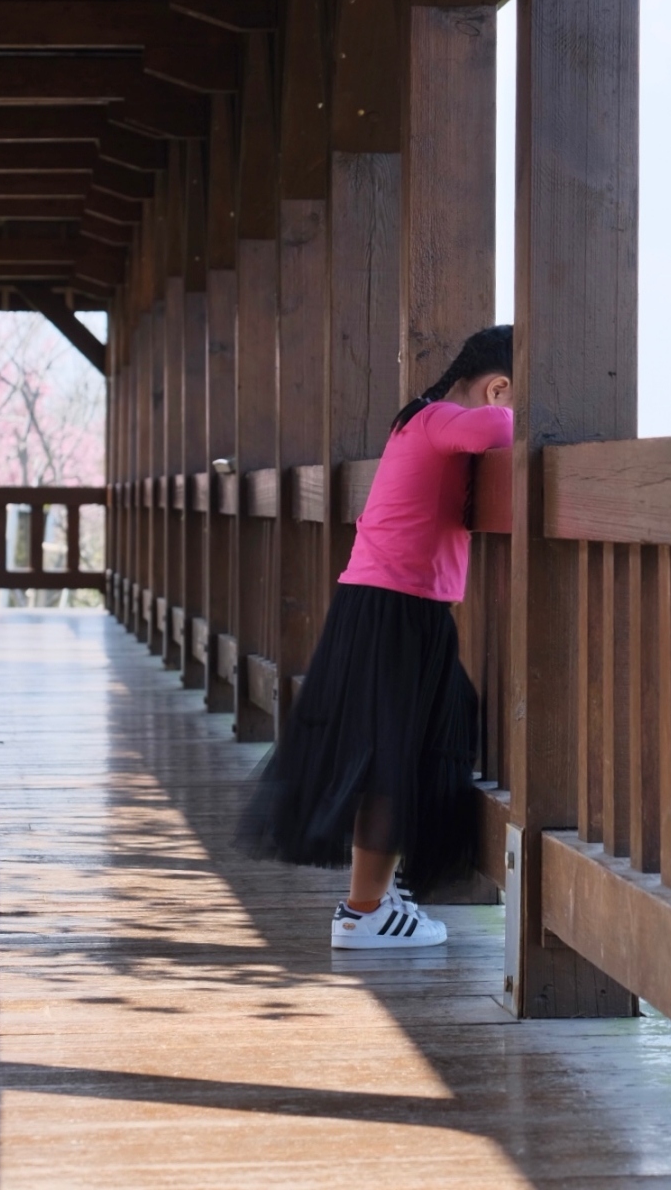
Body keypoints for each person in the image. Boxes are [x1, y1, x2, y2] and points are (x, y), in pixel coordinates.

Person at [234, 325, 513, 950]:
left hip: (394, 602)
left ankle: (386, 895)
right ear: (498, 387)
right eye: (516, 396)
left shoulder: (416, 419)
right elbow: (489, 431)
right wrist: (530, 420)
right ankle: (364, 911)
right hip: (395, 604)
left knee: (441, 728)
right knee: (392, 755)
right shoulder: (440, 418)